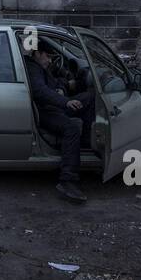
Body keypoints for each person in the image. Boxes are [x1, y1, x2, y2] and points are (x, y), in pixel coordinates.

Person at [23, 41, 96, 204]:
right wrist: (65, 102)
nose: (49, 60)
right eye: (47, 56)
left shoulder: (41, 68)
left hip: (55, 105)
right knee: (71, 129)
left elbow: (53, 85)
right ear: (37, 54)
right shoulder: (33, 68)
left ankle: (86, 142)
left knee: (90, 97)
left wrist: (64, 87)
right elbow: (40, 91)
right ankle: (68, 181)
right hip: (46, 111)